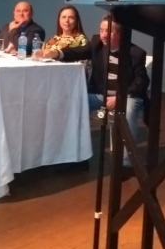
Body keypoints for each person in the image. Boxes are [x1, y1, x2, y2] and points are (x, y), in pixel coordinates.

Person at [39, 15, 149, 174]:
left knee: (128, 111)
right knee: (73, 105)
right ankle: (76, 157)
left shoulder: (136, 53)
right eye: (101, 30)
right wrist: (55, 53)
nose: (103, 34)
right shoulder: (97, 43)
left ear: (120, 33)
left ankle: (125, 163)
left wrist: (119, 97)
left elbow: (142, 82)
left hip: (127, 96)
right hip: (100, 95)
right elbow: (77, 52)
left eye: (108, 31)